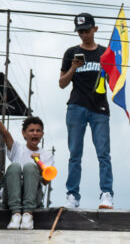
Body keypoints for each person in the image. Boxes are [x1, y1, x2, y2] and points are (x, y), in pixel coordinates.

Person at [59, 12, 113, 209]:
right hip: (76, 106)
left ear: (95, 29)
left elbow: (114, 82)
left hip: (99, 107)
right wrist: (73, 67)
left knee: (103, 154)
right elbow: (62, 83)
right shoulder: (70, 52)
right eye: (80, 31)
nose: (84, 35)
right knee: (75, 154)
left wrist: (111, 66)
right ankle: (72, 195)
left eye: (87, 30)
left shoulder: (105, 53)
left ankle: (106, 194)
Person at [1, 116, 54, 229]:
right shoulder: (17, 148)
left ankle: (27, 216)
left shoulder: (47, 155)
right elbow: (4, 132)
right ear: (24, 133)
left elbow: (45, 182)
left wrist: (38, 163)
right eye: (31, 130)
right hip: (11, 197)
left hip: (33, 199)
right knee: (14, 166)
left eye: (38, 130)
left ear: (42, 134)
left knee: (30, 167)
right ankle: (16, 215)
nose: (35, 133)